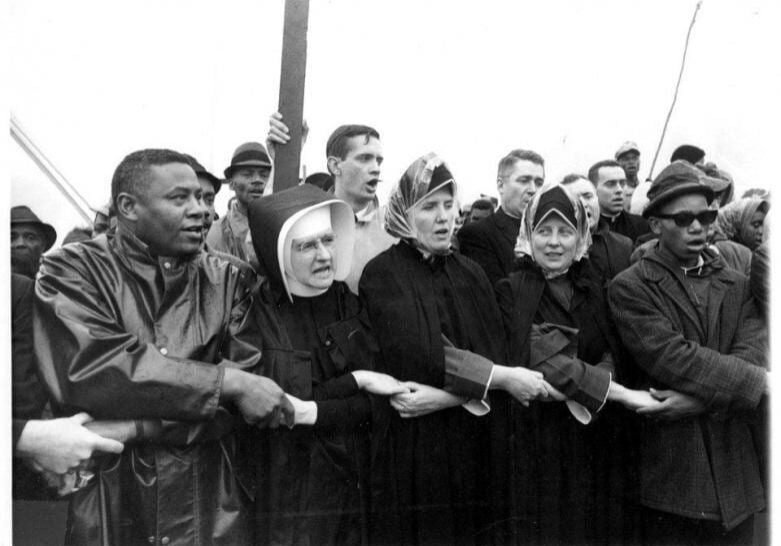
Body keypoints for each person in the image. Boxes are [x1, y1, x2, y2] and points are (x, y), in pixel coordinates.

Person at [34, 148, 293, 546]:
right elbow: (96, 370)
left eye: (203, 198)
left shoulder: (230, 278)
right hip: (113, 497)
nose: (200, 210)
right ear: (128, 206)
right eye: (179, 198)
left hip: (211, 502)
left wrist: (132, 425)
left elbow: (249, 395)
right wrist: (225, 382)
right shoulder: (70, 269)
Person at [360, 153, 553, 545]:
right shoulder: (384, 274)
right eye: (429, 207)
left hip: (474, 433)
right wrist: (498, 380)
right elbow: (422, 354)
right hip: (419, 444)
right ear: (403, 213)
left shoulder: (470, 271)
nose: (444, 217)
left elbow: (494, 349)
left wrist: (451, 396)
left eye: (449, 205)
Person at [608, 160, 768, 545]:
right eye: (683, 219)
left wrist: (697, 402)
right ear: (656, 223)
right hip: (675, 480)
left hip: (736, 478)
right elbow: (673, 358)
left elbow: (751, 353)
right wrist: (760, 383)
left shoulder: (739, 282)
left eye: (706, 215)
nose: (697, 226)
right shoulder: (630, 287)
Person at [494, 183, 662, 545]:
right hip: (540, 439)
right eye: (544, 231)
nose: (555, 243)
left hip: (598, 435)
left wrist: (599, 380)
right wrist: (619, 394)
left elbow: (609, 350)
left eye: (565, 231)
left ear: (581, 236)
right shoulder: (511, 290)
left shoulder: (594, 288)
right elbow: (543, 358)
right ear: (528, 235)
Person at [246, 184, 408, 546]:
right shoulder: (258, 314)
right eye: (306, 246)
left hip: (357, 478)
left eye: (328, 240)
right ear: (278, 252)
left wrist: (318, 407)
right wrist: (357, 380)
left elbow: (379, 401)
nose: (323, 256)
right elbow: (283, 406)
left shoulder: (346, 302)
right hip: (293, 488)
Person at [267, 115, 397, 293]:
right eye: (364, 158)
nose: (376, 168)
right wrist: (280, 162)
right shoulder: (308, 219)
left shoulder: (394, 228)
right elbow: (261, 252)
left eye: (378, 160)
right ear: (335, 166)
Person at [458, 148, 545, 286]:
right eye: (524, 180)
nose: (533, 189)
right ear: (501, 186)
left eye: (539, 183)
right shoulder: (477, 235)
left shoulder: (550, 232)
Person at [206, 141, 272, 264]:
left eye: (264, 175)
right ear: (231, 184)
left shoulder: (279, 227)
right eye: (247, 174)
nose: (257, 180)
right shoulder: (215, 234)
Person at [561, 173, 632, 281]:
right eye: (573, 199)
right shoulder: (555, 250)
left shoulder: (624, 246)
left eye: (588, 196)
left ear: (597, 200)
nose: (583, 204)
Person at [588, 159, 650, 243]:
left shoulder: (642, 226)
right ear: (592, 189)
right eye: (610, 184)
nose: (619, 190)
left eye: (623, 183)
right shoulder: (586, 229)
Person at [11, 205, 57, 278]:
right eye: (11, 238)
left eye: (30, 238)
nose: (20, 243)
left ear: (43, 245)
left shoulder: (55, 282)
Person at [615, 141, 642, 210]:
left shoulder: (646, 187)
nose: (631, 162)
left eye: (634, 158)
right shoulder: (616, 192)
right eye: (626, 159)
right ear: (618, 164)